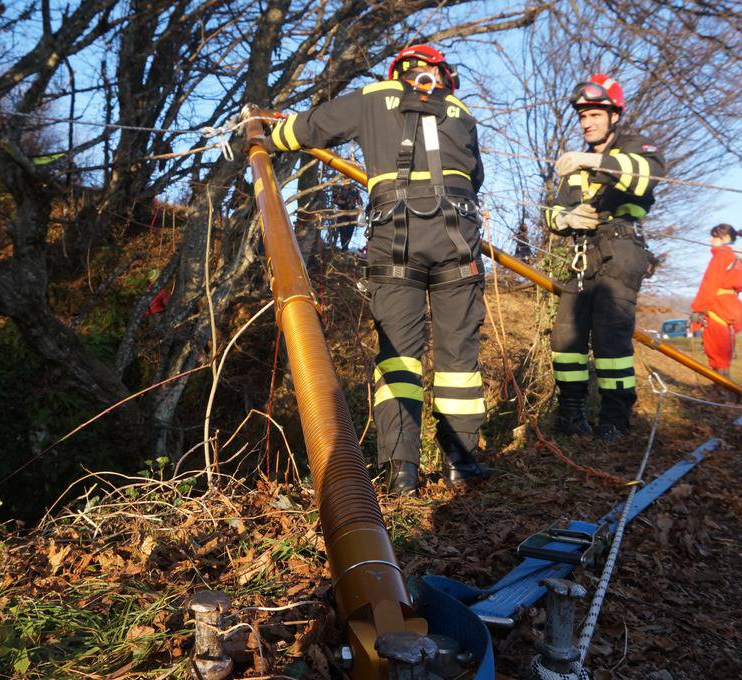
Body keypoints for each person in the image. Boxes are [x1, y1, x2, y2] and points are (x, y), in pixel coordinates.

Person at [257, 44, 489, 494]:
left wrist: (266, 138)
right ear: (442, 76)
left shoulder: (373, 96)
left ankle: (401, 471)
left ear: (399, 71)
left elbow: (311, 127)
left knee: (398, 355)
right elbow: (475, 178)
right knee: (458, 357)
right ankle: (460, 463)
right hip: (458, 240)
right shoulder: (461, 112)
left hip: (395, 237)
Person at [545, 74, 665, 442]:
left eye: (595, 114)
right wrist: (565, 219)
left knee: (612, 338)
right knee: (566, 334)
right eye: (583, 116)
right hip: (583, 251)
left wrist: (589, 160)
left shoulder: (634, 147)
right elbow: (552, 212)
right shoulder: (572, 167)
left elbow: (650, 175)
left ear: (615, 116)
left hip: (622, 246)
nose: (587, 122)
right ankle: (570, 412)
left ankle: (614, 419)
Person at [691, 224, 742, 379]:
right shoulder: (739, 258)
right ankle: (724, 390)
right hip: (733, 306)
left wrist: (697, 309)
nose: (711, 239)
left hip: (718, 306)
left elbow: (709, 284)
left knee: (716, 349)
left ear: (726, 238)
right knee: (724, 352)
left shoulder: (722, 254)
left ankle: (721, 392)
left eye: (715, 236)